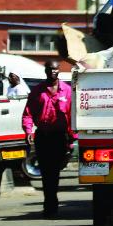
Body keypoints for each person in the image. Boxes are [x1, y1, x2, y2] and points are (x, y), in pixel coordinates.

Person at [22, 60, 74, 217]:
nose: (53, 72)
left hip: (60, 137)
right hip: (43, 137)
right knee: (46, 172)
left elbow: (72, 115)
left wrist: (72, 138)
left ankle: (52, 200)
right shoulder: (38, 91)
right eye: (50, 69)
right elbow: (28, 113)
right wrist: (28, 131)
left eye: (55, 69)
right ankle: (50, 204)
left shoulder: (67, 90)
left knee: (55, 171)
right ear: (45, 71)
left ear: (59, 71)